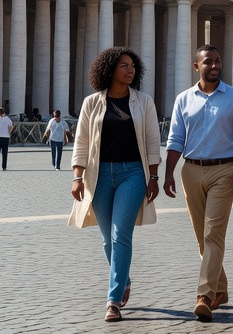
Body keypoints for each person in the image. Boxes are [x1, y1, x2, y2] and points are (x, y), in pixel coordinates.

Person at [68, 48, 162, 322]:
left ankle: (113, 300)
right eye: (124, 65)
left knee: (121, 234)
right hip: (98, 174)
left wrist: (153, 177)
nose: (130, 70)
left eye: (133, 66)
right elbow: (82, 142)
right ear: (109, 69)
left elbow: (153, 141)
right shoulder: (92, 103)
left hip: (132, 173)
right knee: (107, 239)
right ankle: (124, 279)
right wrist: (77, 176)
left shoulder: (143, 102)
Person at [163, 45, 233, 322]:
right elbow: (175, 139)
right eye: (208, 62)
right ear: (196, 67)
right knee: (202, 237)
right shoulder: (183, 99)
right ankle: (221, 289)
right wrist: (167, 174)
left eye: (218, 61)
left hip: (224, 171)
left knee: (214, 234)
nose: (214, 66)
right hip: (191, 170)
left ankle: (204, 295)